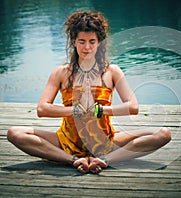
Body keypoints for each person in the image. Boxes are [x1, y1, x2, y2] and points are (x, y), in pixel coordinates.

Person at [7, 10, 171, 174]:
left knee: (163, 134)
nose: (87, 47)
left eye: (92, 41)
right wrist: (75, 111)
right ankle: (73, 160)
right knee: (14, 133)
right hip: (67, 142)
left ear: (99, 42)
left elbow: (133, 107)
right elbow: (42, 109)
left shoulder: (112, 71)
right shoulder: (61, 72)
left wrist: (99, 110)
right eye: (82, 41)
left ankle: (104, 160)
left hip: (106, 143)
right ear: (74, 41)